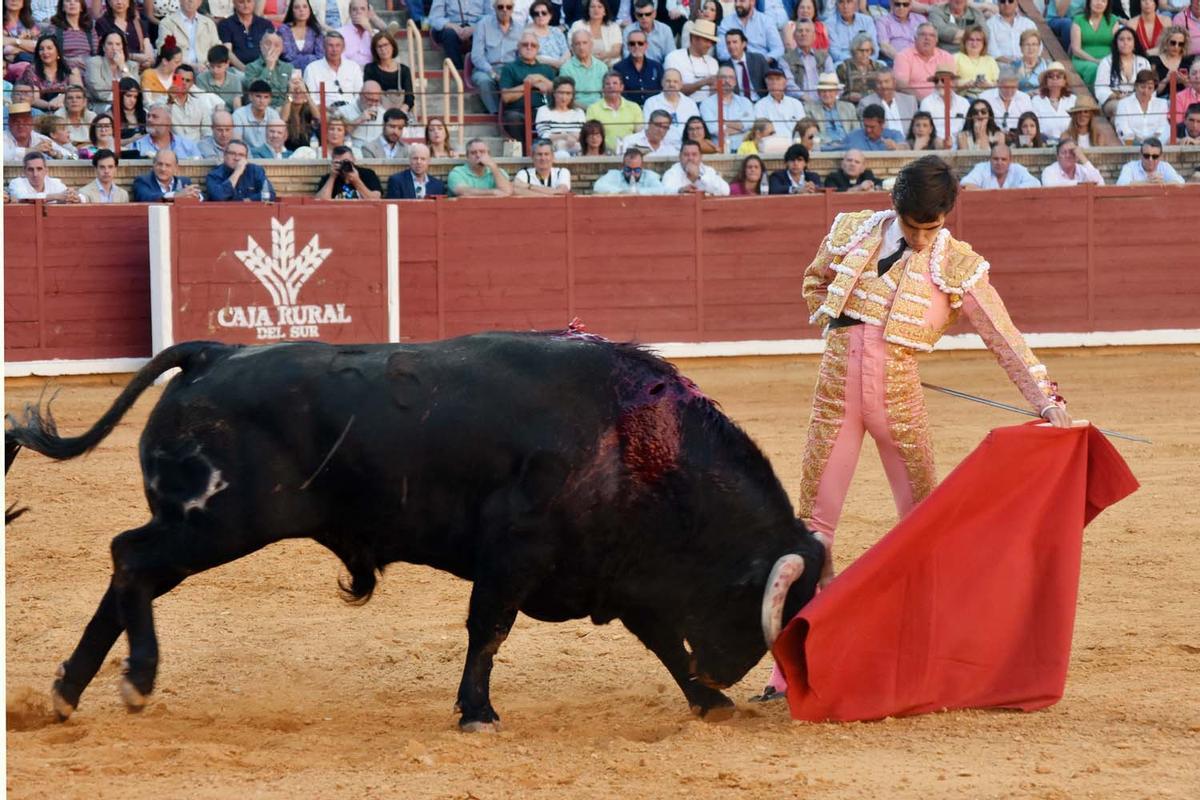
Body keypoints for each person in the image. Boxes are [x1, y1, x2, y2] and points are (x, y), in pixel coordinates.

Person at [756, 154, 1073, 704]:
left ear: (948, 215)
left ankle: (929, 659)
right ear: (895, 208)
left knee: (924, 526)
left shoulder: (957, 264)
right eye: (912, 226)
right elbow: (815, 282)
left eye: (933, 227)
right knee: (813, 529)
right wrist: (843, 333)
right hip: (836, 393)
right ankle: (789, 674)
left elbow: (1003, 335)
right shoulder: (853, 230)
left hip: (899, 398)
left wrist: (1046, 399)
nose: (923, 239)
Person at [499, 31, 555, 142]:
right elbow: (506, 97)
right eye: (525, 44)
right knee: (512, 118)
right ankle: (524, 153)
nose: (529, 47)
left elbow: (559, 91)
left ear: (538, 48)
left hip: (546, 111)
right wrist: (529, 84)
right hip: (520, 112)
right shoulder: (509, 68)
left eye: (533, 45)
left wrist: (540, 77)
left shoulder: (547, 69)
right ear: (518, 47)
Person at [470, 0, 520, 115]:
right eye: (500, 7)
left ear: (513, 8)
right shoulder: (483, 24)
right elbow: (477, 56)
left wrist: (513, 72)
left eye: (508, 7)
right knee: (484, 81)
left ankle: (514, 113)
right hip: (487, 68)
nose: (505, 10)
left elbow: (521, 55)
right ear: (494, 7)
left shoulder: (520, 27)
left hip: (510, 68)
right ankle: (497, 114)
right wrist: (492, 73)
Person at [1096, 24, 1151, 115]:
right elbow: (1100, 88)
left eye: (1129, 39)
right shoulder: (1106, 62)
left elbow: (1150, 86)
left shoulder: (1144, 62)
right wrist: (1117, 96)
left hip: (1138, 100)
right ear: (1116, 43)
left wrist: (1135, 98)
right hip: (1113, 101)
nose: (1125, 42)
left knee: (1117, 119)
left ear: (1134, 43)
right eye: (1121, 39)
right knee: (1122, 108)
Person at [663, 19, 720, 103]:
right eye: (706, 41)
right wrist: (704, 82)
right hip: (683, 106)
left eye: (711, 42)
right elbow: (673, 90)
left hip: (709, 107)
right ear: (694, 38)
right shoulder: (674, 57)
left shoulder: (713, 62)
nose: (709, 45)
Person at [894, 22, 956, 99]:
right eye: (923, 34)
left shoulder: (946, 57)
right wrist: (923, 102)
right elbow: (901, 85)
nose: (927, 38)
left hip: (941, 101)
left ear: (936, 40)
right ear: (915, 38)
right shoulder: (903, 56)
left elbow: (951, 84)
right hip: (915, 103)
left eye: (932, 35)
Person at [700, 65, 755, 150]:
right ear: (716, 80)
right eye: (723, 77)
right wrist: (741, 128)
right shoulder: (707, 104)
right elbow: (714, 130)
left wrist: (723, 122)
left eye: (731, 78)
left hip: (744, 150)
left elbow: (751, 125)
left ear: (735, 82)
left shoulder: (745, 102)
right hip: (720, 151)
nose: (727, 81)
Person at [642, 68, 698, 145]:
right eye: (668, 81)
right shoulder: (651, 102)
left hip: (686, 148)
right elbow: (647, 128)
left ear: (681, 84)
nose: (671, 84)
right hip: (661, 149)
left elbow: (697, 127)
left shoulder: (690, 103)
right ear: (662, 83)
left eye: (675, 81)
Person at [303, 29, 360, 107]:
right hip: (325, 111)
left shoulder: (354, 67)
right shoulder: (312, 69)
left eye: (338, 45)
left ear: (343, 48)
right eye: (330, 45)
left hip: (351, 110)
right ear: (324, 47)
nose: (334, 50)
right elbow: (311, 99)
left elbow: (359, 95)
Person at [19, 33, 75, 111]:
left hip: (67, 108)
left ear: (58, 51)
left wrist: (62, 97)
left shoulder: (69, 68)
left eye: (49, 48)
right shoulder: (31, 70)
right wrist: (50, 105)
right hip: (41, 110)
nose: (45, 52)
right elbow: (34, 99)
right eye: (41, 49)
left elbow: (78, 90)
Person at [93, 0, 153, 71]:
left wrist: (148, 61)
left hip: (139, 69)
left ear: (129, 2)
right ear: (109, 2)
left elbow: (148, 51)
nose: (119, 2)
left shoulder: (138, 23)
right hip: (114, 68)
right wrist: (135, 57)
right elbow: (107, 51)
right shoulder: (102, 23)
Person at [717, 0, 784, 63]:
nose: (737, 4)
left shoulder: (765, 21)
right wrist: (740, 61)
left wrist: (762, 62)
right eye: (735, 1)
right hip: (734, 65)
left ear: (752, 2)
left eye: (741, 1)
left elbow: (778, 49)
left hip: (763, 64)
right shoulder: (726, 22)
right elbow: (721, 52)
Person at [155, 0, 218, 67]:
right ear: (180, 1)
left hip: (207, 70)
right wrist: (191, 66)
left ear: (200, 2)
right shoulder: (167, 23)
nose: (190, 1)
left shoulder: (209, 23)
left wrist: (209, 66)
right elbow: (165, 52)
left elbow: (217, 48)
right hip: (179, 69)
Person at [363, 30, 414, 113]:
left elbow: (409, 98)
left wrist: (399, 114)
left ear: (393, 46)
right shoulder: (370, 69)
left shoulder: (404, 70)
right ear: (375, 50)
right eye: (379, 46)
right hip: (377, 112)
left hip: (400, 114)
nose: (383, 49)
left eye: (386, 45)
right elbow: (369, 95)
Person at [206, 138, 273, 200]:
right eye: (232, 153)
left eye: (241, 155)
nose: (236, 158)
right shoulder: (214, 175)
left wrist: (247, 201)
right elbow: (219, 196)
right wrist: (237, 172)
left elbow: (270, 194)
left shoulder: (255, 171)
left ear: (246, 158)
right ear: (224, 155)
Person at [1071, 0, 1118, 87]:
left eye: (1103, 1)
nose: (1099, 3)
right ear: (1089, 2)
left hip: (1107, 60)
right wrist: (1095, 61)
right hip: (1082, 60)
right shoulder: (1079, 20)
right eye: (1096, 0)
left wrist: (1106, 61)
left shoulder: (1113, 20)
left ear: (1107, 5)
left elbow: (1117, 46)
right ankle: (1093, 96)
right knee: (1094, 68)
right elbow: (1076, 49)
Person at [428, 0, 485, 72]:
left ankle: (477, 70)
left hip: (477, 25)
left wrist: (475, 28)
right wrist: (452, 26)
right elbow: (434, 18)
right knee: (449, 34)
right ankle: (457, 70)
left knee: (483, 33)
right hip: (450, 26)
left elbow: (491, 16)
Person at [1115, 67, 1171, 140]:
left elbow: (1163, 128)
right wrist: (1136, 142)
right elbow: (1122, 128)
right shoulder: (1123, 104)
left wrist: (1152, 144)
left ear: (1154, 88)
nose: (1145, 91)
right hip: (1132, 147)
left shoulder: (1162, 104)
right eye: (1142, 87)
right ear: (1136, 86)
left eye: (1150, 88)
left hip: (1156, 146)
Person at [784, 17, 831, 102]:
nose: (803, 34)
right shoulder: (785, 59)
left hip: (823, 103)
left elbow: (831, 80)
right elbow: (789, 85)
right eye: (800, 31)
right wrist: (804, 97)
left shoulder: (825, 57)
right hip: (799, 104)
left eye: (807, 31)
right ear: (794, 36)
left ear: (814, 36)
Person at [659, 139, 730, 195]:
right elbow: (664, 192)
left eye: (694, 154)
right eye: (686, 154)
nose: (690, 158)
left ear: (700, 157)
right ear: (680, 157)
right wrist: (680, 190)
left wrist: (699, 177)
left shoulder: (708, 171)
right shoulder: (672, 172)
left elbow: (725, 191)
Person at [218, 0, 275, 70]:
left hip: (264, 69)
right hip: (237, 71)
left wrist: (266, 69)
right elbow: (228, 52)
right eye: (241, 2)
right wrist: (245, 70)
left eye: (249, 1)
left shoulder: (266, 24)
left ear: (254, 2)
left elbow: (273, 49)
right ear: (234, 3)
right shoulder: (225, 24)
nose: (246, 5)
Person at [614, 24, 663, 105]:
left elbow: (661, 91)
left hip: (654, 109)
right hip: (629, 111)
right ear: (628, 46)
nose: (636, 46)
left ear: (646, 45)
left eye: (640, 43)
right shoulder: (619, 68)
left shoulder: (656, 67)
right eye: (632, 44)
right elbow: (619, 94)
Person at [446, 137, 513, 196]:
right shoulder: (457, 173)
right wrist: (493, 192)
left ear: (489, 155)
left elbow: (507, 191)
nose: (478, 155)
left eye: (482, 152)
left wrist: (493, 167)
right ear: (467, 157)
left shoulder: (498, 172)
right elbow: (464, 192)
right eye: (473, 153)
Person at [131, 101, 201, 157]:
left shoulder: (188, 146)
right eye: (148, 116)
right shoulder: (137, 146)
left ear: (168, 122)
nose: (149, 120)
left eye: (155, 117)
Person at [245, 32, 296, 108]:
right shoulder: (251, 67)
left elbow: (291, 94)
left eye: (276, 45)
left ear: (282, 48)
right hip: (260, 108)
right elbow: (256, 91)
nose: (272, 48)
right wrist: (269, 67)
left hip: (284, 107)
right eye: (268, 44)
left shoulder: (288, 68)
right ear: (261, 45)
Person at [858, 69, 917, 134]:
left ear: (894, 83)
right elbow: (869, 132)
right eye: (879, 82)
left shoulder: (909, 101)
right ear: (875, 85)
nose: (883, 85)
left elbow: (916, 127)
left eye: (886, 81)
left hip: (908, 143)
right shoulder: (866, 103)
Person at [960, 141, 1041, 188]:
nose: (999, 162)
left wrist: (1011, 192)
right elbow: (965, 185)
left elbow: (1036, 183)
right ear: (990, 159)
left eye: (1003, 159)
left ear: (1010, 161)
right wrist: (990, 195)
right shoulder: (982, 168)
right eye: (995, 159)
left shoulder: (1018, 169)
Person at [560, 28, 608, 108]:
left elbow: (606, 95)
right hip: (576, 110)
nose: (581, 47)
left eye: (585, 43)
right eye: (577, 44)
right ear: (572, 47)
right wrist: (588, 110)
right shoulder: (566, 69)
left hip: (600, 110)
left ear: (591, 44)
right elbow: (566, 98)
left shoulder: (602, 67)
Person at [131, 147, 202, 200]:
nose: (163, 169)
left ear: (176, 167)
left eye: (168, 165)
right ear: (154, 164)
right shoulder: (142, 181)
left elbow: (203, 198)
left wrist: (197, 196)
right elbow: (146, 197)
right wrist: (175, 195)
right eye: (159, 164)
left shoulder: (184, 182)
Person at [976, 67, 1033, 134]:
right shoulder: (985, 97)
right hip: (992, 138)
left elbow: (1029, 123)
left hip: (1019, 138)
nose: (1009, 92)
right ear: (998, 83)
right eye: (1005, 87)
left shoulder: (1025, 98)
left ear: (1017, 85)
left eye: (1013, 87)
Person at [720, 28, 771, 102]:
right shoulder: (725, 67)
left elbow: (770, 81)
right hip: (738, 105)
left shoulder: (758, 59)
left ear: (744, 44)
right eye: (728, 43)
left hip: (761, 102)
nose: (731, 46)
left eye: (735, 42)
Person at [1030, 60, 1076, 141]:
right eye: (1050, 76)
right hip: (1044, 142)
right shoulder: (1036, 100)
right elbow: (1034, 125)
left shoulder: (1073, 99)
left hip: (1069, 141)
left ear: (1065, 81)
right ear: (1046, 81)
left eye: (1058, 76)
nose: (1054, 79)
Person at [8, 150, 81, 200]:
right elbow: (23, 197)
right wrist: (55, 196)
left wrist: (71, 195)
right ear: (24, 171)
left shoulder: (55, 183)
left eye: (39, 169)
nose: (35, 174)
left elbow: (66, 196)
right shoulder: (16, 183)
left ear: (46, 170)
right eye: (30, 169)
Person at [315, 144, 382, 198]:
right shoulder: (329, 177)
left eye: (346, 162)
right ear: (333, 162)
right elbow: (321, 202)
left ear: (354, 159)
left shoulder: (368, 174)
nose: (344, 165)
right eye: (339, 162)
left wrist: (356, 181)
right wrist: (332, 177)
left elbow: (375, 199)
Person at [754, 66, 807, 134]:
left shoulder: (796, 104)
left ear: (785, 82)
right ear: (766, 83)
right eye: (770, 79)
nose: (774, 82)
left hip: (794, 142)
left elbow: (803, 129)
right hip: (771, 142)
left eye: (778, 79)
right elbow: (761, 132)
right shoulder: (759, 106)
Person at [231, 78, 282, 147]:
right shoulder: (238, 115)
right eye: (258, 96)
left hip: (268, 155)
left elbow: (277, 142)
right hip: (246, 155)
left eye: (266, 97)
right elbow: (237, 143)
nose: (262, 101)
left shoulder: (273, 114)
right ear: (250, 97)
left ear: (270, 99)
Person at [591, 146, 664, 193]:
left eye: (636, 170)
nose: (632, 173)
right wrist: (622, 192)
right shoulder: (615, 175)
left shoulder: (648, 176)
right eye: (628, 169)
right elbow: (598, 186)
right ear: (622, 166)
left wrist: (637, 192)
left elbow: (661, 190)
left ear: (642, 167)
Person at [838, 33, 885, 106]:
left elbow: (886, 91)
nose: (865, 54)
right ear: (854, 50)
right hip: (852, 107)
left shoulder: (879, 67)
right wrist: (848, 97)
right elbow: (837, 95)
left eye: (867, 50)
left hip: (875, 107)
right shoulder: (844, 68)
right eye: (861, 50)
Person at [875, 0, 928, 65]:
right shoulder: (883, 21)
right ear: (891, 4)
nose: (901, 7)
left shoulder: (920, 19)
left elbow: (928, 41)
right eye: (897, 4)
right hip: (896, 61)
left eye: (905, 4)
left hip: (921, 59)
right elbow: (884, 46)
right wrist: (903, 60)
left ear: (910, 5)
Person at [279, 0, 325, 74]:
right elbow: (287, 56)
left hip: (312, 73)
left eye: (305, 7)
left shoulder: (316, 30)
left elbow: (320, 56)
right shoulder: (284, 30)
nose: (301, 10)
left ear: (309, 10)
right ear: (292, 11)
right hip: (288, 72)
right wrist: (309, 58)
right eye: (297, 7)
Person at [569, 0, 621, 65]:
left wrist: (605, 55)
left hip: (609, 64)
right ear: (588, 10)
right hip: (583, 63)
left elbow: (616, 51)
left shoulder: (613, 26)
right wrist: (591, 59)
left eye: (600, 7)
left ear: (605, 11)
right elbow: (572, 48)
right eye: (592, 7)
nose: (596, 9)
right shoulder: (577, 25)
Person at [194, 45, 243, 112]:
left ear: (227, 64)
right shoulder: (201, 79)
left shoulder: (235, 79)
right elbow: (202, 104)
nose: (215, 70)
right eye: (212, 66)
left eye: (219, 67)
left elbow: (237, 105)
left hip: (230, 117)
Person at [827, 0, 878, 64]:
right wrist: (855, 61)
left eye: (849, 2)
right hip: (844, 62)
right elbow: (834, 52)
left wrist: (868, 60)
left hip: (866, 59)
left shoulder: (867, 21)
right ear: (836, 5)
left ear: (856, 4)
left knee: (883, 65)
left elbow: (874, 47)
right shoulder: (830, 24)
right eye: (841, 2)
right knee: (836, 66)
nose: (845, 6)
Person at [1116, 135, 1185, 182]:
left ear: (1160, 156)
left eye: (1155, 156)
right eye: (1146, 156)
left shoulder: (1165, 167)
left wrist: (1162, 183)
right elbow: (1121, 184)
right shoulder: (1130, 167)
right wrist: (1148, 183)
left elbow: (1180, 183)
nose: (1150, 159)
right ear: (1141, 155)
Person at [954, 24, 999, 98]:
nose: (974, 43)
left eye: (978, 40)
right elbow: (949, 84)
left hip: (987, 98)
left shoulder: (990, 60)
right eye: (971, 40)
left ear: (984, 43)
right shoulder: (956, 58)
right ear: (964, 42)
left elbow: (997, 84)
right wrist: (965, 85)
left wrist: (988, 85)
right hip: (964, 97)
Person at [987, 0, 1036, 64]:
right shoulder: (990, 24)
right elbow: (992, 52)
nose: (1006, 4)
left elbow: (1038, 47)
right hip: (1001, 67)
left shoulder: (1028, 24)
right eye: (1002, 1)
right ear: (998, 3)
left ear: (1017, 3)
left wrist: (1023, 62)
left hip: (1027, 65)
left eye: (1010, 1)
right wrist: (1012, 63)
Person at [1040, 137, 1105, 185]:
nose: (1068, 155)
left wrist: (1082, 158)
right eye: (1064, 152)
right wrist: (1079, 184)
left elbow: (1100, 183)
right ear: (1057, 157)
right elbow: (1050, 185)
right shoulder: (1049, 171)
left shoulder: (1082, 169)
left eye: (1072, 152)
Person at [526, 0, 568, 70]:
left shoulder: (556, 31)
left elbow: (566, 53)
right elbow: (535, 58)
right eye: (536, 13)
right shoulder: (528, 33)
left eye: (544, 13)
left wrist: (560, 64)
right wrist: (557, 63)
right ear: (533, 17)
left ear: (550, 15)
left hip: (561, 69)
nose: (540, 15)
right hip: (538, 71)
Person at [343, 78, 386, 145]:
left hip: (375, 152)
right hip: (354, 150)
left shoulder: (383, 114)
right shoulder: (345, 110)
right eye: (370, 99)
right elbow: (340, 134)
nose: (373, 104)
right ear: (360, 95)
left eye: (376, 101)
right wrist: (360, 119)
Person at [337, 0, 374, 67]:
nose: (359, 12)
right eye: (354, 9)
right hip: (348, 72)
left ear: (368, 13)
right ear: (350, 13)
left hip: (370, 73)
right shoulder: (340, 33)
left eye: (362, 9)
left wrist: (369, 30)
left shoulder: (374, 33)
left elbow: (381, 54)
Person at [1014, 28, 1048, 93]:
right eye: (1027, 44)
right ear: (1021, 47)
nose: (1031, 48)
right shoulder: (1013, 66)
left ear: (1039, 47)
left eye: (1034, 44)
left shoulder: (1048, 65)